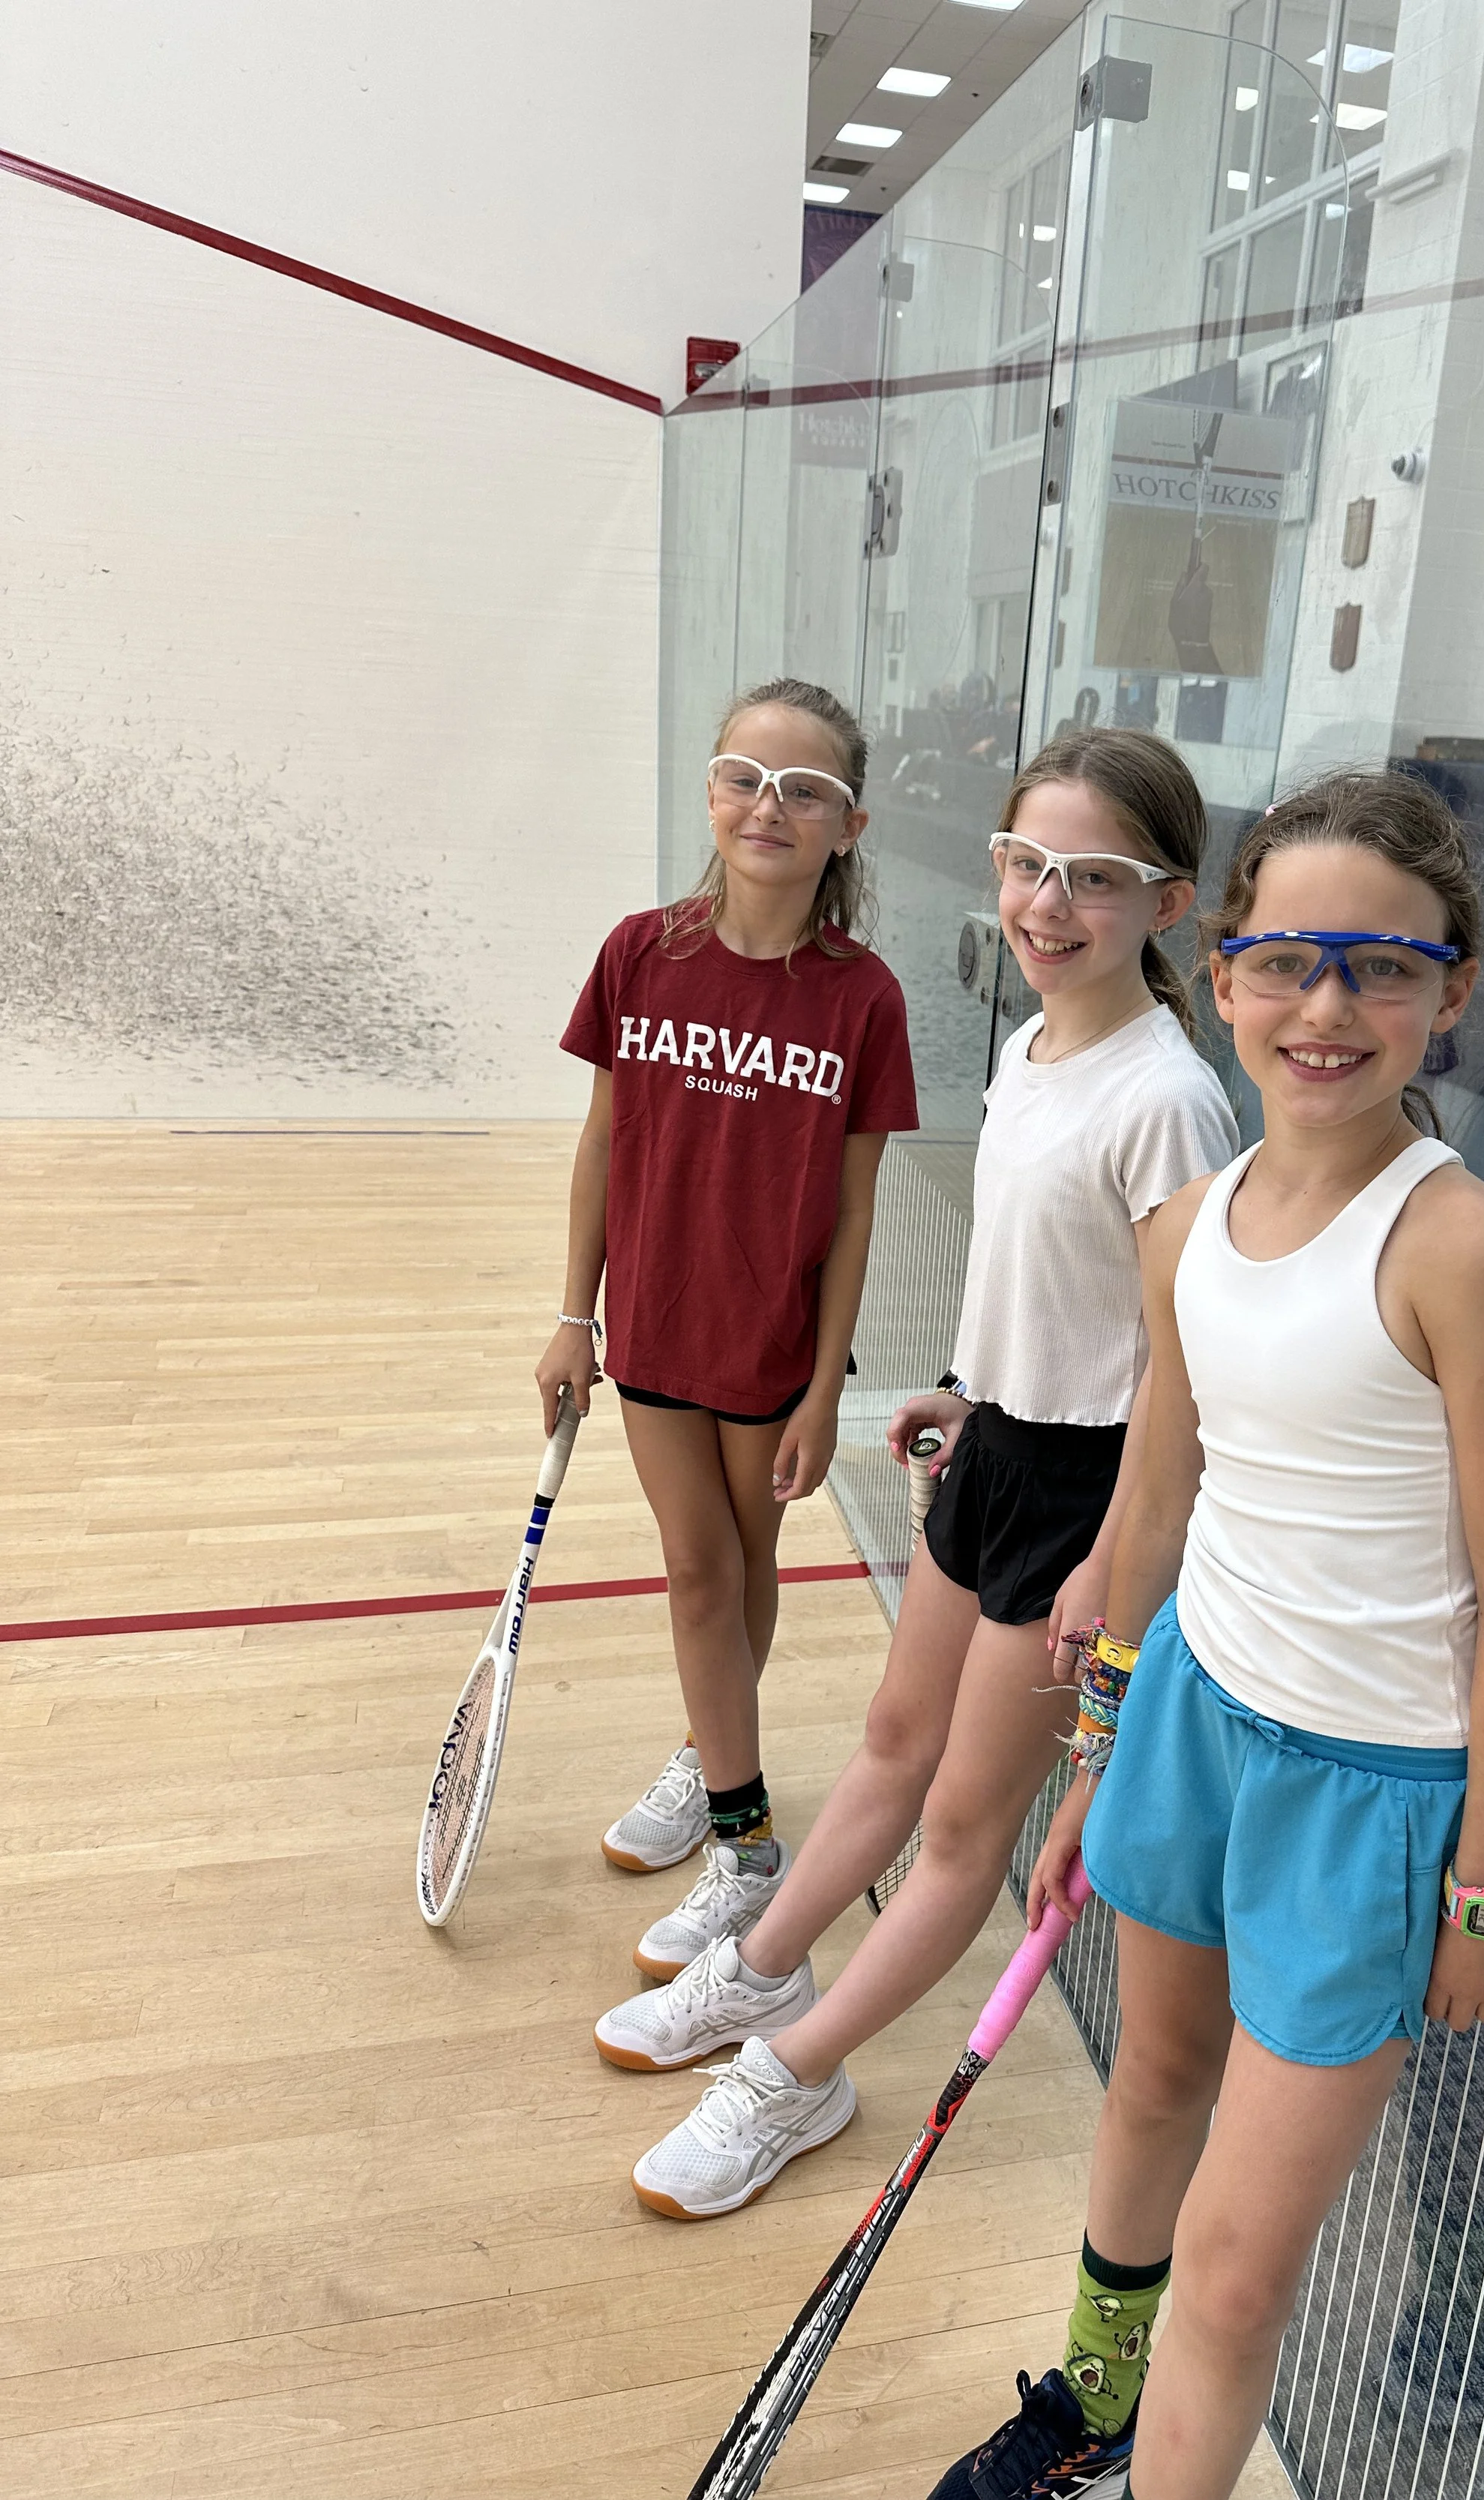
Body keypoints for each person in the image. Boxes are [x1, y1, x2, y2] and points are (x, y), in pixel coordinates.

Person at [932, 769, 1484, 2499]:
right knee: (1147, 2088)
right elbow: (1151, 1507)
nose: (1325, 1006)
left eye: (1380, 966)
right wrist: (1102, 1746)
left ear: (1449, 995)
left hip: (1367, 1803)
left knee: (1233, 2267)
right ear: (1218, 977)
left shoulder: (1463, 1248)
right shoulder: (1193, 1229)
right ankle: (1090, 2403)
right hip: (1191, 1725)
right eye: (1287, 958)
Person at [602, 728, 1241, 2222]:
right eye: (1027, 864)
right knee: (893, 1737)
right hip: (1000, 1450)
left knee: (964, 1823)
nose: (1045, 902)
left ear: (1169, 904)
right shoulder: (1028, 1046)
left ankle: (798, 2072)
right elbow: (1044, 1280)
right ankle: (762, 1970)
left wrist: (1109, 1570)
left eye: (1096, 877)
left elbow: (1178, 1365)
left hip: (1091, 1500)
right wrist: (961, 1385)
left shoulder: (1168, 1099)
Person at [535, 678, 919, 1990]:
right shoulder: (640, 951)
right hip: (648, 1322)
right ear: (711, 793)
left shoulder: (861, 998)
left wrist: (826, 1391)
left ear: (847, 825)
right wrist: (570, 1313)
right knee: (699, 1572)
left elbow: (859, 1206)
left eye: (804, 789)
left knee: (744, 1575)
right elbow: (602, 1143)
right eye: (747, 778)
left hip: (770, 1348)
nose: (772, 806)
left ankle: (714, 1759)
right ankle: (745, 1839)